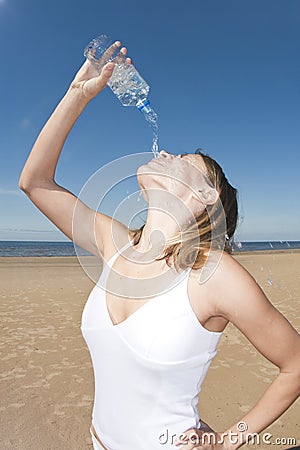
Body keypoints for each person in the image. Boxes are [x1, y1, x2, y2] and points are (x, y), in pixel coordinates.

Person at [19, 41, 300, 450]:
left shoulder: (212, 274)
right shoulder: (115, 244)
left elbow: (294, 365)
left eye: (184, 161)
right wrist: (77, 95)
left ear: (207, 196)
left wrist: (228, 441)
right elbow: (35, 182)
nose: (166, 152)